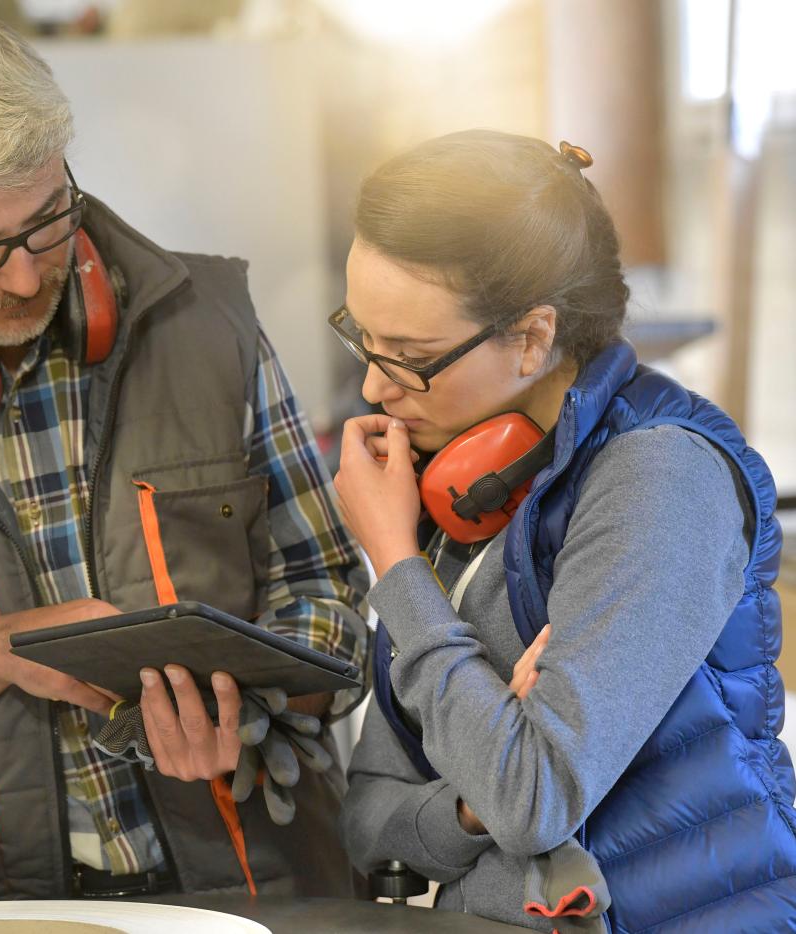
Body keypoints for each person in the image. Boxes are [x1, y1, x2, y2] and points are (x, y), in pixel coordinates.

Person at [0, 4, 368, 907]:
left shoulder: (208, 327)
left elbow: (326, 588)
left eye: (46, 222)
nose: (24, 277)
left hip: (250, 889)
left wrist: (249, 710)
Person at [332, 129, 796, 931]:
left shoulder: (662, 481)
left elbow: (533, 802)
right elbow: (370, 818)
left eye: (409, 354)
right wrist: (474, 803)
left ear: (533, 337)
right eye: (364, 339)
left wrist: (398, 566)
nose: (375, 384)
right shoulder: (468, 484)